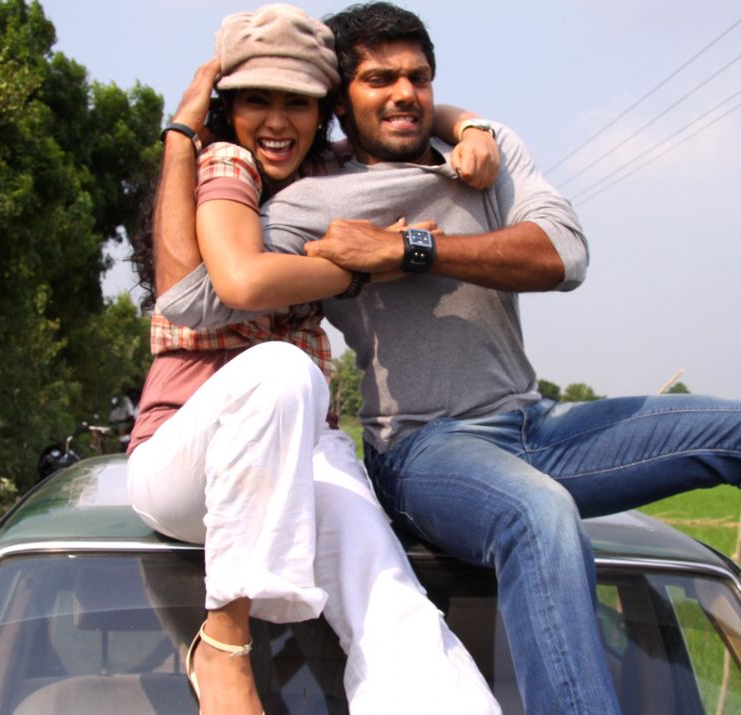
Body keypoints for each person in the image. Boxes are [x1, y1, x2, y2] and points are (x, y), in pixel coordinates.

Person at [158, 2, 741, 713]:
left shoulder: (486, 154)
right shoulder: (310, 201)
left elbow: (564, 255)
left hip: (535, 425)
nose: (404, 93)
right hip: (423, 448)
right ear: (339, 101)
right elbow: (193, 298)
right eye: (379, 79)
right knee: (540, 516)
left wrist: (410, 244)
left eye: (418, 78)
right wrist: (183, 133)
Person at [128, 4, 502, 715]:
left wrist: (470, 126)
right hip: (183, 462)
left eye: (297, 102)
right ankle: (224, 639)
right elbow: (233, 285)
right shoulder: (226, 163)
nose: (277, 121)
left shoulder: (327, 173)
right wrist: (366, 264)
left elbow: (405, 118)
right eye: (256, 100)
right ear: (227, 108)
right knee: (282, 369)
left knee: (392, 602)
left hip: (301, 456)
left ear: (323, 110)